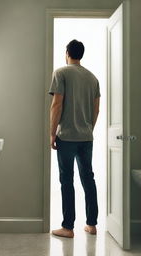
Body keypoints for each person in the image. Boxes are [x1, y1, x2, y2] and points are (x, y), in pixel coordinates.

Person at [49, 39, 100, 238]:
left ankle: (68, 227)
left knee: (67, 180)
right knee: (89, 178)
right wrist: (88, 129)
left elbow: (56, 105)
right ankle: (92, 225)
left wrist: (52, 133)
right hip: (86, 137)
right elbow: (96, 110)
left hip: (67, 137)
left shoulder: (60, 73)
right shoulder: (93, 78)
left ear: (67, 52)